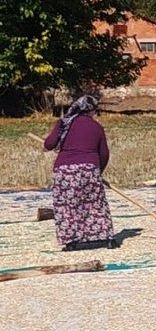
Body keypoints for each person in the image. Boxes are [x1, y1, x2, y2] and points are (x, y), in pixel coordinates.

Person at [42, 95, 116, 251]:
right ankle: (107, 238)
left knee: (67, 205)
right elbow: (104, 154)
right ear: (91, 110)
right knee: (96, 203)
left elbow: (49, 145)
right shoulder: (97, 127)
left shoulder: (64, 123)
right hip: (89, 169)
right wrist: (98, 172)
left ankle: (71, 241)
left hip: (65, 171)